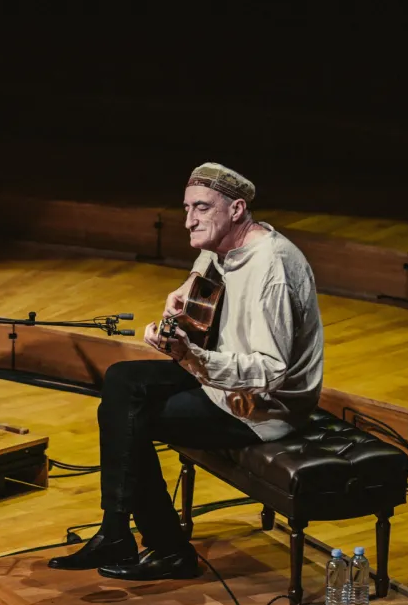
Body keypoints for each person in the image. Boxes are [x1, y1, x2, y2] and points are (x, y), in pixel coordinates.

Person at [48, 163, 324, 580]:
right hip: (222, 377)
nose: (189, 220)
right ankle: (116, 530)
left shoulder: (273, 268)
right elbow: (207, 258)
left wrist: (193, 357)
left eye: (201, 208)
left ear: (236, 209)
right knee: (121, 379)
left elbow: (271, 371)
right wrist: (187, 288)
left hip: (260, 408)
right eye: (186, 208)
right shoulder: (228, 241)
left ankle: (164, 547)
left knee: (131, 418)